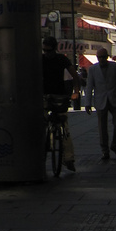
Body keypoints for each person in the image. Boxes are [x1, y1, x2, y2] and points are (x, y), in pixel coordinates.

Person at [41, 36, 79, 172]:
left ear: (54, 49)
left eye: (49, 51)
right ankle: (42, 153)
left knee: (64, 127)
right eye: (44, 51)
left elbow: (75, 75)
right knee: (41, 123)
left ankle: (68, 159)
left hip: (58, 95)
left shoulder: (61, 59)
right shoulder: (42, 59)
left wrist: (76, 91)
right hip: (45, 95)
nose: (47, 53)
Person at [84, 47, 116, 160]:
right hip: (100, 100)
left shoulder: (115, 67)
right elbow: (89, 87)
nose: (102, 59)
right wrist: (87, 103)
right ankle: (105, 150)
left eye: (103, 57)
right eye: (99, 57)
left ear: (107, 57)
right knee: (102, 127)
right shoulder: (93, 69)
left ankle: (115, 145)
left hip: (115, 99)